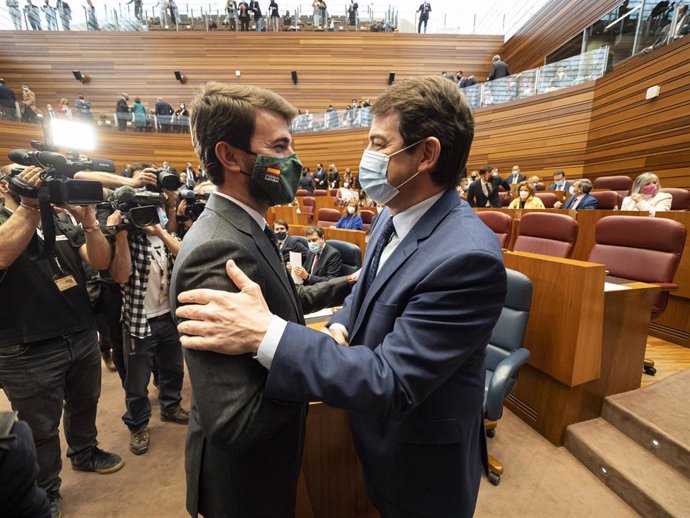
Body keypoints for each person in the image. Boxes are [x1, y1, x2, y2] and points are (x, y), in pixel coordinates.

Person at [174, 76, 506, 518]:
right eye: (280, 147)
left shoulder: (468, 257)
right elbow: (365, 290)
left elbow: (394, 379)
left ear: (426, 154)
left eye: (378, 143)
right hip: (357, 446)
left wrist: (269, 334)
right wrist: (340, 324)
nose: (366, 156)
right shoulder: (394, 215)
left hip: (420, 466)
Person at [169, 82, 357, 518]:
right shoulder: (218, 251)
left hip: (266, 468)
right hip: (245, 486)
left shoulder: (247, 226)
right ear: (231, 156)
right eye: (279, 147)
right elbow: (237, 420)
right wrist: (320, 361)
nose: (293, 161)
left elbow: (283, 303)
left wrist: (347, 282)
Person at [0, 165, 125, 518]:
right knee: (40, 426)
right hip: (27, 347)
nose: (39, 179)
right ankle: (46, 488)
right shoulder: (8, 218)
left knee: (85, 403)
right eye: (24, 173)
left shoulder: (59, 221)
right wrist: (28, 205)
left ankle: (85, 452)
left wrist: (88, 220)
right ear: (4, 184)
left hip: (81, 332)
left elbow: (100, 260)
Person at [108, 164, 189, 456]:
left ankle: (170, 406)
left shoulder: (163, 237)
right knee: (137, 381)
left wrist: (158, 229)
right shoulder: (129, 239)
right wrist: (120, 235)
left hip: (168, 316)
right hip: (139, 321)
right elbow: (120, 276)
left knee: (172, 369)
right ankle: (138, 424)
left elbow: (185, 255)